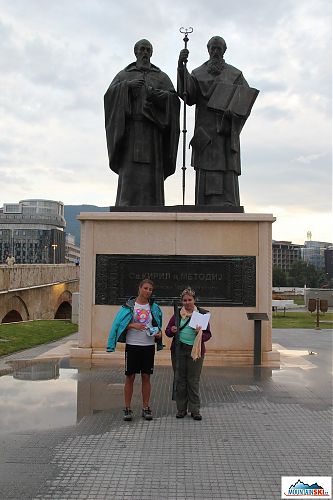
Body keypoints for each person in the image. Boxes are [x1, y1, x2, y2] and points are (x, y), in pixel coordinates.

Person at [178, 36, 255, 207]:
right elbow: (188, 96)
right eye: (212, 48)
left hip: (225, 131)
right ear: (208, 49)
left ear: (224, 51)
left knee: (226, 166)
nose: (215, 51)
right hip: (205, 131)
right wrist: (181, 68)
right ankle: (205, 203)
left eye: (218, 48)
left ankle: (228, 202)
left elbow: (245, 99)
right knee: (206, 167)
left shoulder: (235, 74)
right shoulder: (197, 73)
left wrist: (232, 112)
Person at [104, 39, 180, 206]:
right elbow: (109, 96)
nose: (145, 52)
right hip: (131, 132)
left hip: (153, 133)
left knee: (152, 175)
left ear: (151, 53)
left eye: (148, 50)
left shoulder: (161, 77)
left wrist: (155, 95)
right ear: (136, 52)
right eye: (142, 49)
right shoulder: (124, 75)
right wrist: (127, 87)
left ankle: (154, 204)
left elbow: (174, 100)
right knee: (130, 172)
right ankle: (126, 204)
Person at [106, 279, 163, 421]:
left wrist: (159, 333)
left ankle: (146, 407)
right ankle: (127, 408)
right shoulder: (128, 306)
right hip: (132, 345)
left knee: (146, 376)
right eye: (145, 288)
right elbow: (118, 324)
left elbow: (158, 326)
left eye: (150, 289)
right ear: (139, 288)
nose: (148, 291)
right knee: (130, 376)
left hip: (148, 346)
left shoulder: (154, 307)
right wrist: (133, 325)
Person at [165, 287, 211, 420]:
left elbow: (208, 334)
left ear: (194, 300)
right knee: (180, 380)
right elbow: (167, 331)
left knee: (193, 380)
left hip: (195, 351)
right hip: (179, 350)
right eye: (184, 300)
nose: (187, 302)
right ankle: (181, 409)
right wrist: (172, 330)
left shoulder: (201, 315)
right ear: (182, 301)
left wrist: (200, 333)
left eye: (189, 299)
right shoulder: (177, 314)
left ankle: (195, 410)